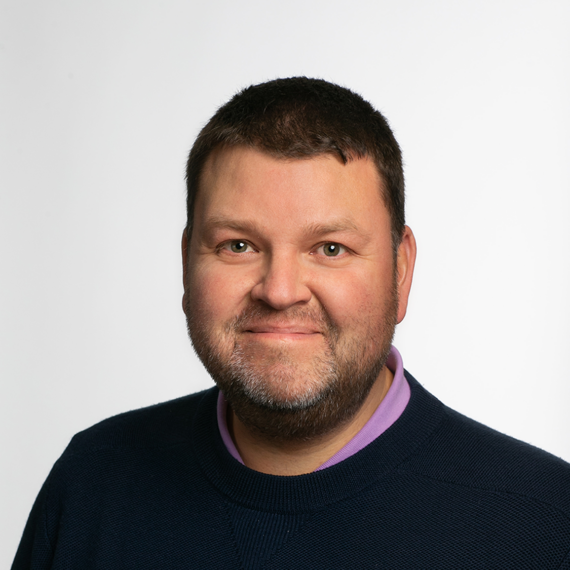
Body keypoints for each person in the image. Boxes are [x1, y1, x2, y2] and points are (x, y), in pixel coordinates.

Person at [12, 77, 570, 569]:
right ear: (186, 264)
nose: (279, 291)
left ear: (400, 271)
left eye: (330, 247)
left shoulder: (544, 523)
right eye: (238, 245)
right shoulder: (93, 484)